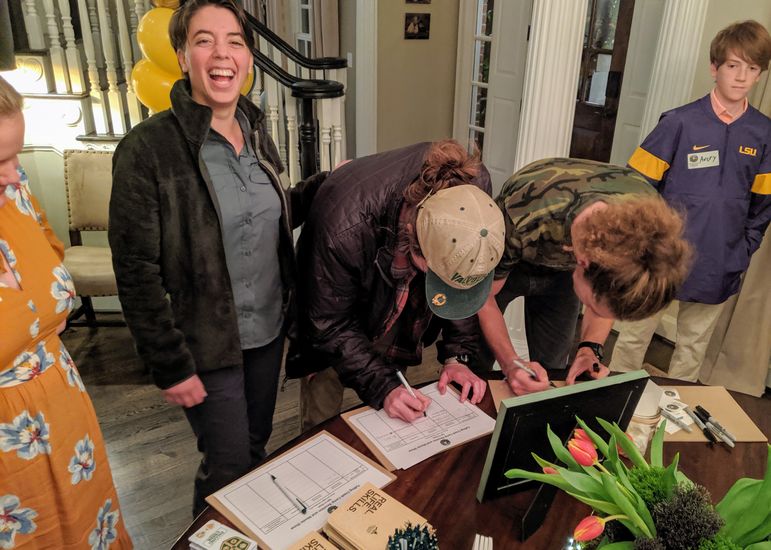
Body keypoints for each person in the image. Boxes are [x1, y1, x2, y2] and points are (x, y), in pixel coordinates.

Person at [108, 0, 325, 516]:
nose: (221, 53)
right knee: (226, 465)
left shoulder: (255, 133)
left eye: (235, 41)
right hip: (207, 344)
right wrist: (170, 364)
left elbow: (265, 216)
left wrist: (326, 187)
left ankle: (245, 535)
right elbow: (135, 271)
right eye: (204, 40)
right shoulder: (148, 151)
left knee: (254, 448)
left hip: (268, 331)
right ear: (182, 56)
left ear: (248, 58)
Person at [286, 141, 504, 429]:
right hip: (331, 312)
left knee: (394, 410)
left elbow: (461, 283)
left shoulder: (475, 193)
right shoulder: (341, 224)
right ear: (414, 242)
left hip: (400, 303)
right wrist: (383, 387)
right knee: (323, 417)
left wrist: (456, 357)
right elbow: (328, 325)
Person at [0, 76, 132, 548]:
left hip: (65, 419)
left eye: (16, 154)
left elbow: (50, 261)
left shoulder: (14, 191)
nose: (15, 173)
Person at [610, 20, 771, 381]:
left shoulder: (764, 134)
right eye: (733, 65)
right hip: (662, 257)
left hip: (720, 259)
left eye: (752, 68)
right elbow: (635, 188)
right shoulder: (679, 123)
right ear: (714, 68)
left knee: (693, 347)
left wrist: (743, 249)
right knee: (634, 337)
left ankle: (678, 418)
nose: (742, 77)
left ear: (760, 74)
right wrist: (642, 244)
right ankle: (613, 401)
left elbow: (763, 205)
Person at [476, 157, 693, 395]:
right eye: (592, 307)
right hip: (514, 255)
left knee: (554, 368)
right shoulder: (524, 216)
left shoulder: (647, 227)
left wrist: (589, 349)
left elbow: (609, 296)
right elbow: (483, 298)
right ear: (581, 262)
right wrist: (509, 363)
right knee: (478, 355)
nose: (594, 311)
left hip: (564, 271)